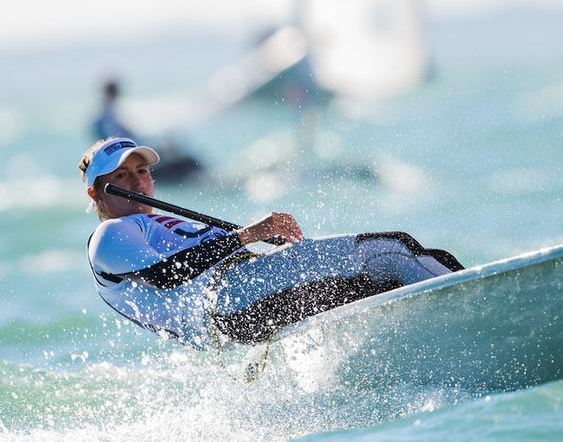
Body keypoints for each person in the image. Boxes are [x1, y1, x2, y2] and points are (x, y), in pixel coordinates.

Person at [81, 137, 462, 347]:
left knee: (385, 276)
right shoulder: (109, 235)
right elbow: (168, 275)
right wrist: (246, 235)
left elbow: (206, 257)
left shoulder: (156, 224)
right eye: (121, 175)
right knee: (388, 252)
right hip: (229, 304)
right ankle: (470, 309)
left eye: (142, 171)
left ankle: (452, 327)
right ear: (97, 193)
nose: (137, 181)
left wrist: (261, 249)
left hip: (243, 298)